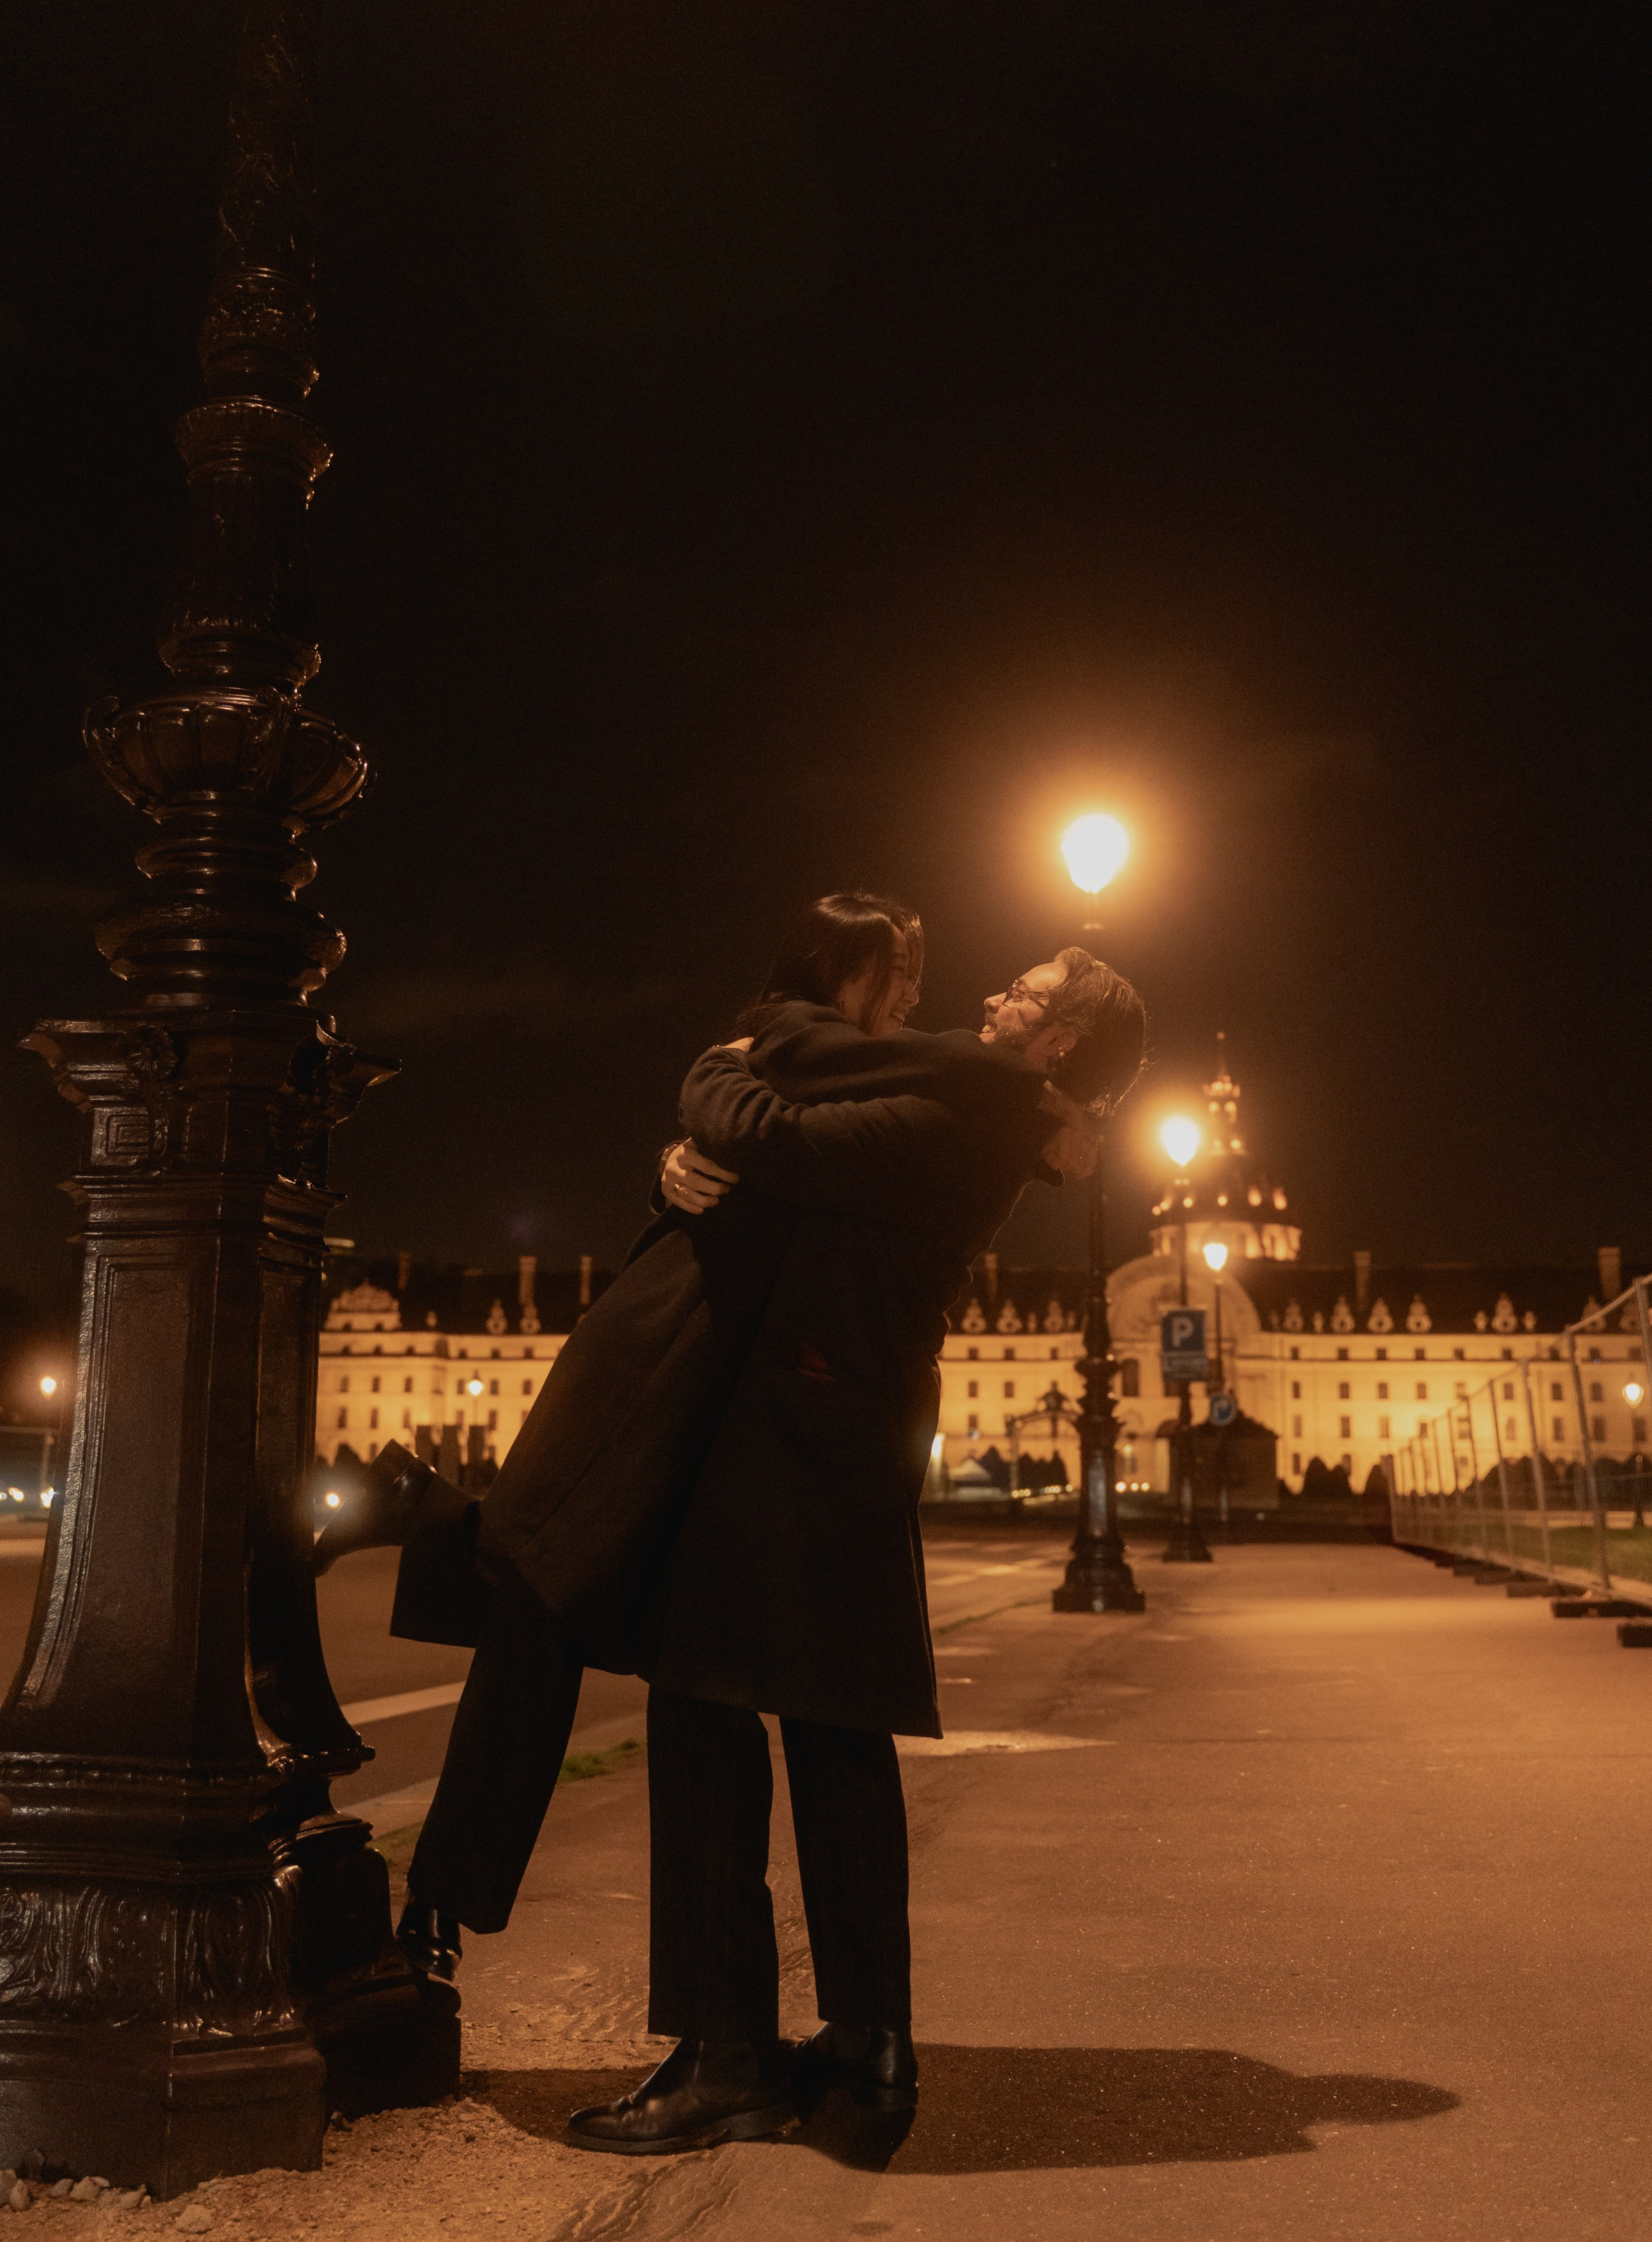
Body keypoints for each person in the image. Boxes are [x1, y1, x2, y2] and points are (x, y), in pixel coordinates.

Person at [318, 901, 1144, 2153]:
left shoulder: (976, 1103)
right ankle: (865, 2060)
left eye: (1023, 995)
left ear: (1062, 1035)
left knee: (707, 1717)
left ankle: (730, 2057)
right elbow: (777, 1165)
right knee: (832, 1743)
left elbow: (763, 1130)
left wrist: (724, 1064)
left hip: (791, 1443)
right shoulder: (994, 1116)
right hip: (835, 1433)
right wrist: (686, 1157)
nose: (990, 1004)